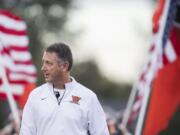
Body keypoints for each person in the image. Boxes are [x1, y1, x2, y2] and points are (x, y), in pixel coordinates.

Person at [19, 42, 110, 135]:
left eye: (49, 63)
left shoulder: (88, 97)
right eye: (44, 62)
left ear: (64, 66)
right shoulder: (35, 96)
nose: (43, 68)